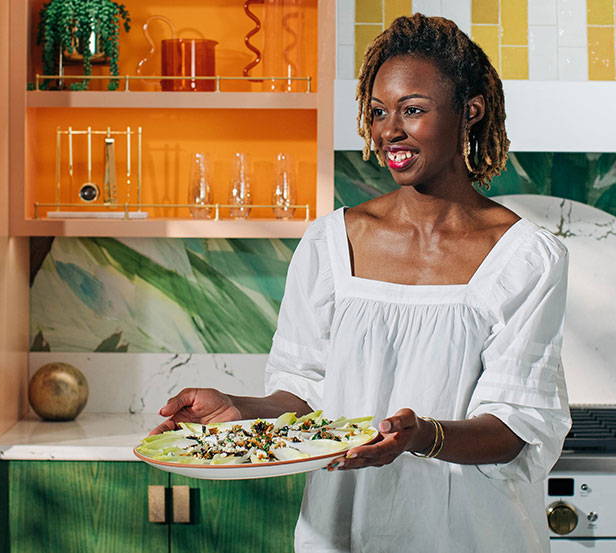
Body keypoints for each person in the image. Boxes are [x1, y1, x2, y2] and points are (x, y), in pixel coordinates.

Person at [150, 14, 571, 553]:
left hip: (473, 535)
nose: (389, 129)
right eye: (378, 112)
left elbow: (516, 427)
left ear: (471, 111)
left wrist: (420, 436)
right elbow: (305, 396)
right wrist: (238, 408)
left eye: (413, 110)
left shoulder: (526, 257)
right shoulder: (330, 244)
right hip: (342, 533)